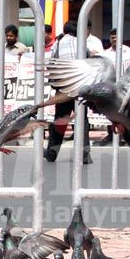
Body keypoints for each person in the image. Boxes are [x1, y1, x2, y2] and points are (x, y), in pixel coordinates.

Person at [44, 20, 92, 164]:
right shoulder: (82, 43)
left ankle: (52, 153)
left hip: (64, 88)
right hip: (80, 87)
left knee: (60, 119)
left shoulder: (57, 44)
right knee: (82, 120)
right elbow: (89, 59)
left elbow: (51, 63)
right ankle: (84, 155)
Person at [99, 28, 130, 145]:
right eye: (112, 37)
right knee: (111, 110)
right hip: (111, 88)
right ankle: (111, 135)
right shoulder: (105, 54)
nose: (114, 39)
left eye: (116, 37)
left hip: (124, 87)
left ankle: (127, 135)